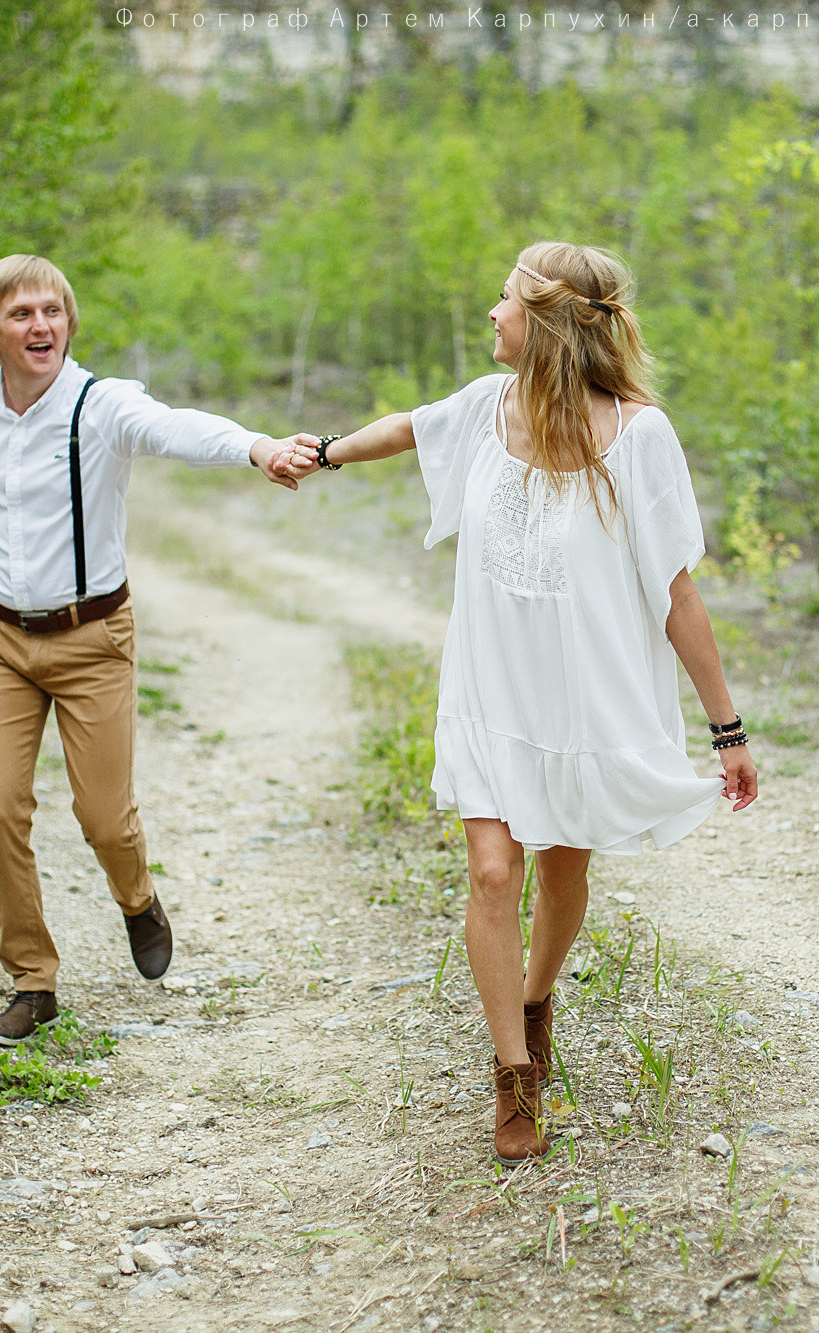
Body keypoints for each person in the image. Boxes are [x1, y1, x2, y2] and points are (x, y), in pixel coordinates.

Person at [277, 241, 758, 1164]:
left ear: (542, 322)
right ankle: (514, 1078)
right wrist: (322, 454)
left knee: (565, 868)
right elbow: (405, 428)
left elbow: (678, 592)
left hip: (581, 699)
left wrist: (725, 726)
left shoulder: (640, 436)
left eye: (502, 299)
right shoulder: (484, 407)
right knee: (496, 872)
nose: (489, 314)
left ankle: (536, 1000)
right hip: (489, 685)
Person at [0, 254, 314, 1047]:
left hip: (92, 637)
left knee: (103, 817)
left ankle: (137, 898)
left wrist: (258, 447)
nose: (42, 326)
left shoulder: (101, 405)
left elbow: (177, 427)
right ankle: (32, 981)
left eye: (53, 311)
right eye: (22, 313)